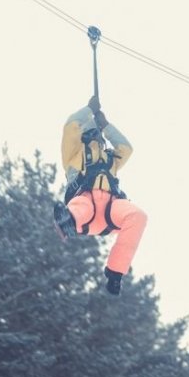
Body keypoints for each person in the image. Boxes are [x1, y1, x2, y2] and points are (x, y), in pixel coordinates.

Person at [53, 96, 147, 295]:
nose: (96, 137)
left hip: (109, 213)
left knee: (138, 216)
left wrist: (106, 125)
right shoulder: (73, 154)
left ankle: (115, 272)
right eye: (93, 132)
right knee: (83, 206)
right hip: (84, 205)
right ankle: (67, 221)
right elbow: (70, 125)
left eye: (98, 134)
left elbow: (126, 148)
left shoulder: (110, 159)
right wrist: (88, 109)